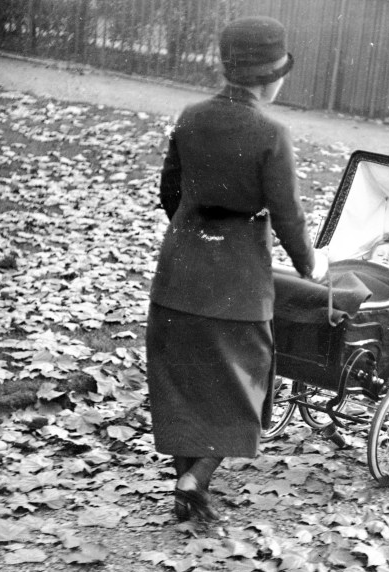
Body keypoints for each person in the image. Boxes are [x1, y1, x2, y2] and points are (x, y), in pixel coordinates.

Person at [146, 16, 327, 524]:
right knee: (249, 377)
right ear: (272, 77)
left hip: (179, 271)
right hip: (238, 283)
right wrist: (309, 265)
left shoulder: (190, 115)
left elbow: (170, 193)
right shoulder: (271, 132)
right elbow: (288, 213)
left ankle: (187, 482)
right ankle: (196, 476)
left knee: (184, 377)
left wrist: (197, 228)